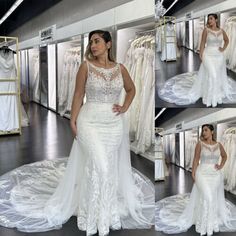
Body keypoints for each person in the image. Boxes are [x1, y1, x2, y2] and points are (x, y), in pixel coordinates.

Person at [0, 30, 154, 236]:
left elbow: (132, 89)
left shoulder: (121, 68)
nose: (93, 46)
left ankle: (107, 212)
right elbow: (78, 94)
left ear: (109, 44)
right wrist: (73, 120)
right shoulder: (85, 67)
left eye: (97, 41)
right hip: (89, 121)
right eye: (91, 42)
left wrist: (125, 107)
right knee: (101, 164)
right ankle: (92, 213)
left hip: (114, 124)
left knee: (105, 167)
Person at [155, 124, 236, 236]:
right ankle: (203, 224)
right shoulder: (200, 144)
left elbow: (225, 156)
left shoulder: (219, 145)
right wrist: (193, 174)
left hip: (215, 175)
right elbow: (195, 159)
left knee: (211, 198)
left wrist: (221, 166)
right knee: (208, 196)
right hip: (202, 173)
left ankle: (211, 223)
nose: (204, 132)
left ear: (212, 132)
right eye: (203, 131)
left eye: (206, 130)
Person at [158, 13, 236, 107]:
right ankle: (210, 98)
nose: (209, 21)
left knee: (215, 75)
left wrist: (223, 49)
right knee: (213, 75)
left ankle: (214, 94)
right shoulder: (206, 30)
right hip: (208, 55)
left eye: (211, 19)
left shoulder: (222, 31)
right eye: (208, 19)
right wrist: (201, 55)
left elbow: (227, 40)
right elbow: (202, 44)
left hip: (219, 56)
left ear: (216, 20)